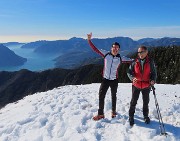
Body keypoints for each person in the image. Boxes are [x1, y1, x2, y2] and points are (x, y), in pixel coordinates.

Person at [87, 32, 122, 120]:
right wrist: (89, 40)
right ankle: (101, 114)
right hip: (105, 79)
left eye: (117, 48)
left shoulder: (121, 58)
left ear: (119, 50)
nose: (115, 49)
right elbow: (95, 49)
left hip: (114, 80)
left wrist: (142, 56)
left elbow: (132, 61)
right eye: (114, 47)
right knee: (101, 95)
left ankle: (113, 112)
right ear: (111, 48)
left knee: (114, 95)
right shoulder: (106, 54)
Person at [127, 45, 157, 126]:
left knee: (146, 102)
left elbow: (154, 73)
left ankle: (146, 116)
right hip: (136, 85)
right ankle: (131, 116)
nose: (140, 54)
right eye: (139, 52)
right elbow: (129, 72)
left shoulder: (150, 62)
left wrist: (153, 80)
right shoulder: (134, 62)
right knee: (133, 101)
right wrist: (132, 78)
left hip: (146, 85)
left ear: (146, 52)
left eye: (142, 52)